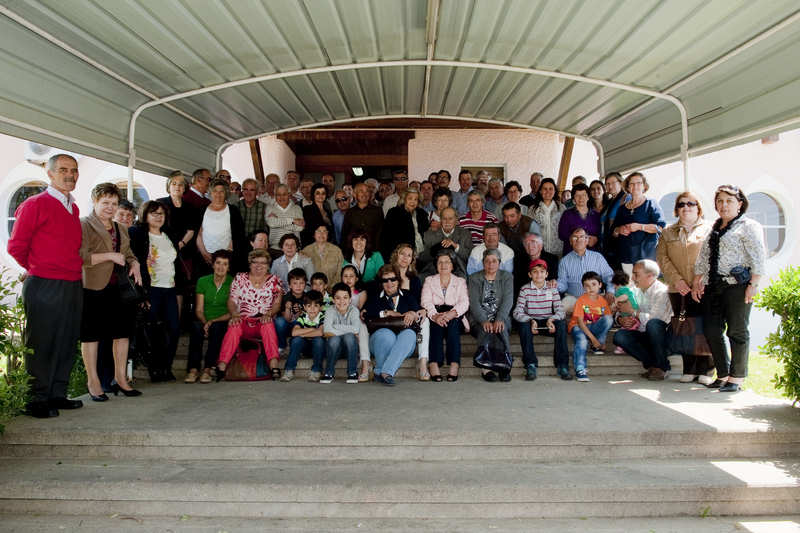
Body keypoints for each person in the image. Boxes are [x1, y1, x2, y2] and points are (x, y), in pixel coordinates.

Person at [8, 154, 84, 417]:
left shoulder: (73, 208)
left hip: (72, 283)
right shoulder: (34, 204)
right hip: (44, 284)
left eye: (74, 170)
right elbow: (16, 247)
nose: (70, 175)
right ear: (50, 173)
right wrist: (39, 268)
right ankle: (36, 400)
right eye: (63, 170)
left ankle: (57, 394)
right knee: (42, 343)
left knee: (66, 341)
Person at [692, 185, 766, 392]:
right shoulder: (714, 227)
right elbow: (703, 257)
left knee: (737, 331)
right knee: (711, 330)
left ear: (740, 204)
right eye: (720, 201)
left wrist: (753, 285)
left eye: (729, 201)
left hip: (737, 286)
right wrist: (697, 280)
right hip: (713, 286)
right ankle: (723, 374)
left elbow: (758, 256)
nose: (724, 205)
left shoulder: (749, 226)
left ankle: (736, 378)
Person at [78, 183, 143, 401]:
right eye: (105, 202)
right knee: (91, 337)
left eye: (114, 203)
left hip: (120, 290)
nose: (110, 207)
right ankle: (93, 382)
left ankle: (121, 379)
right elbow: (80, 256)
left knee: (122, 334)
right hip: (93, 288)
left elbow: (128, 254)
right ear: (95, 202)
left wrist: (135, 264)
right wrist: (109, 256)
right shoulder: (84, 225)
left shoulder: (121, 228)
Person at [656, 191, 714, 383]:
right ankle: (689, 369)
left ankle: (705, 370)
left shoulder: (710, 229)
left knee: (703, 328)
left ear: (698, 208)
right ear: (676, 209)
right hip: (678, 290)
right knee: (684, 327)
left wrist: (700, 280)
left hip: (703, 288)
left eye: (690, 204)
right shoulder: (667, 232)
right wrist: (677, 280)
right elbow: (662, 259)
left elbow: (712, 257)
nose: (686, 207)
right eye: (681, 204)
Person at [128, 201, 181, 382]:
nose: (158, 217)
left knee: (173, 328)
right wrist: (142, 292)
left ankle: (166, 366)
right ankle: (155, 369)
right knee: (152, 330)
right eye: (154, 213)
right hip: (151, 288)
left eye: (161, 214)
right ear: (145, 215)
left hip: (170, 288)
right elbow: (134, 261)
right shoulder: (138, 234)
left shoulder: (169, 234)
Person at [216, 249, 283, 381]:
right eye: (255, 262)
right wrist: (234, 314)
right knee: (234, 326)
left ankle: (274, 365)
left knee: (268, 324)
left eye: (263, 263)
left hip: (262, 320)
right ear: (249, 264)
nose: (259, 266)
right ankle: (222, 366)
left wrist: (268, 314)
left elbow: (277, 304)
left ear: (268, 265)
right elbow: (231, 300)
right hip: (244, 320)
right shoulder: (240, 278)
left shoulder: (275, 280)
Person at [364, 264, 426, 386]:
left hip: (404, 344)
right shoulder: (375, 297)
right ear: (381, 283)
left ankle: (383, 371)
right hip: (379, 343)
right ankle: (386, 372)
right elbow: (366, 314)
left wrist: (413, 313)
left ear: (398, 280)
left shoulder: (408, 295)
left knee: (409, 334)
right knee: (387, 335)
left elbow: (419, 312)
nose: (389, 283)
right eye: (385, 280)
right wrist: (386, 313)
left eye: (393, 279)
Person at [614, 260, 675, 381]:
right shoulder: (633, 289)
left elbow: (654, 319)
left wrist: (633, 312)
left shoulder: (662, 291)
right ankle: (653, 366)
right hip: (643, 334)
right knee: (619, 336)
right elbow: (619, 310)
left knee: (653, 324)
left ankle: (662, 366)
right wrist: (621, 319)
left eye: (636, 274)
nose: (632, 278)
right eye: (633, 274)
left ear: (650, 276)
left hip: (662, 338)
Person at [513, 259, 571, 381]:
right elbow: (517, 312)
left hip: (548, 321)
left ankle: (562, 365)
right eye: (535, 272)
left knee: (561, 324)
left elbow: (561, 311)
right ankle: (530, 364)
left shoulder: (552, 289)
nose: (538, 274)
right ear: (530, 274)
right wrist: (530, 320)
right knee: (523, 325)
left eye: (542, 271)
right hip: (532, 323)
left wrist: (552, 319)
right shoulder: (525, 290)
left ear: (546, 274)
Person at [421, 250, 469, 381]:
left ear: (452, 265)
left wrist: (452, 313)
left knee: (453, 326)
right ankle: (434, 364)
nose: (443, 265)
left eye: (447, 262)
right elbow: (425, 301)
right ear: (436, 265)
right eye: (440, 262)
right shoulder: (429, 280)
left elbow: (465, 302)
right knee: (435, 327)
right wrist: (435, 316)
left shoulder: (460, 281)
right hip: (435, 313)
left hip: (455, 314)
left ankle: (454, 364)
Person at [468, 248, 515, 383]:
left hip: (501, 316)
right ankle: (486, 368)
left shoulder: (507, 277)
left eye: (494, 261)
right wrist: (484, 320)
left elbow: (508, 300)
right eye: (487, 261)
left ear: (499, 262)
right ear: (483, 263)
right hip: (479, 319)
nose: (491, 264)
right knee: (486, 328)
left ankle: (504, 366)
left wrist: (499, 319)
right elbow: (474, 303)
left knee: (501, 327)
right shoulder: (474, 278)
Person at [186, 249, 233, 384]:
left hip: (222, 319)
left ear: (229, 267)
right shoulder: (203, 281)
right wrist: (206, 322)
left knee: (217, 329)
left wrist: (212, 321)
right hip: (204, 318)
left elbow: (232, 312)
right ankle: (193, 369)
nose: (221, 267)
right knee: (196, 327)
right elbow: (199, 309)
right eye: (218, 263)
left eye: (225, 264)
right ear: (212, 265)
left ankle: (207, 369)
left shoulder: (233, 283)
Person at [157, 172, 198, 314]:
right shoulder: (160, 203)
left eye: (181, 184)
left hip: (182, 253)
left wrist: (180, 244)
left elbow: (191, 230)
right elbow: (154, 227)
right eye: (174, 183)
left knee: (179, 289)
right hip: (162, 252)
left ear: (185, 188)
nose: (177, 187)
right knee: (163, 288)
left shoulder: (190, 207)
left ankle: (176, 322)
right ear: (168, 187)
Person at [610, 172, 666, 275]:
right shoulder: (622, 209)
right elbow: (613, 231)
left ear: (644, 186)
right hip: (626, 256)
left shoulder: (651, 204)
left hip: (646, 256)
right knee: (631, 284)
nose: (635, 186)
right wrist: (619, 229)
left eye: (639, 183)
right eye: (632, 183)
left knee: (645, 283)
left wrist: (640, 227)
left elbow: (660, 228)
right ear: (627, 187)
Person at [389, 243, 431, 379]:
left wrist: (422, 310)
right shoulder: (388, 275)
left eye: (409, 255)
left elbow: (418, 302)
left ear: (412, 259)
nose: (405, 258)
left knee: (425, 321)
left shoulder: (415, 280)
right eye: (402, 254)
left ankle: (423, 363)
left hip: (411, 316)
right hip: (392, 315)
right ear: (396, 255)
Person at [569, 271, 614, 382]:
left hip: (592, 327)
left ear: (600, 285)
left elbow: (606, 321)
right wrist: (593, 339)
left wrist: (601, 341)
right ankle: (580, 368)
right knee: (582, 341)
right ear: (583, 287)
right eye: (587, 286)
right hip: (578, 326)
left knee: (608, 319)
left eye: (594, 284)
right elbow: (580, 323)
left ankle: (597, 345)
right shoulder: (581, 300)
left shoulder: (603, 301)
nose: (591, 288)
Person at [557, 228, 614, 315]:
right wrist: (555, 285)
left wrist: (610, 291)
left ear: (587, 240)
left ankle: (590, 317)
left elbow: (609, 276)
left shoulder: (598, 257)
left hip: (595, 297)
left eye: (582, 237)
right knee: (561, 307)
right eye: (575, 237)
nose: (578, 240)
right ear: (570, 241)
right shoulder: (564, 261)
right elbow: (563, 283)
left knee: (613, 306)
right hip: (574, 299)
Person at [196, 179, 246, 274]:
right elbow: (198, 234)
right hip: (205, 258)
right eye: (215, 191)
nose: (218, 194)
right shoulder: (202, 210)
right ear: (210, 193)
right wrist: (205, 253)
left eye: (221, 191)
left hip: (227, 258)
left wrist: (226, 254)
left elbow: (238, 234)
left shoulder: (233, 210)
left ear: (226, 193)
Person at [282, 290, 327, 383]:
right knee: (296, 340)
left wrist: (303, 334)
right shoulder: (303, 317)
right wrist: (312, 329)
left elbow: (320, 332)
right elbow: (294, 332)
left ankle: (316, 370)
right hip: (305, 348)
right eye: (309, 306)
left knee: (318, 340)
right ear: (304, 307)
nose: (312, 309)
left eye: (316, 306)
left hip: (319, 349)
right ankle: (289, 370)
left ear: (320, 307)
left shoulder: (322, 316)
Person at [322, 282, 362, 384]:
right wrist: (348, 330)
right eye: (338, 298)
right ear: (333, 299)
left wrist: (335, 327)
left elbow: (356, 329)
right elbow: (326, 331)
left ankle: (352, 372)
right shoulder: (330, 311)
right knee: (335, 340)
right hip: (334, 350)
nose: (342, 301)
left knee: (349, 337)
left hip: (351, 349)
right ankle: (329, 372)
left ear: (350, 299)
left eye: (345, 297)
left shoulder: (354, 310)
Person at [419, 207, 472, 277]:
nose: (447, 222)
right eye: (444, 219)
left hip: (458, 272)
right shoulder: (429, 234)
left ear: (456, 220)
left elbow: (469, 257)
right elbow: (422, 258)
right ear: (440, 220)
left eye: (450, 219)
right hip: (434, 271)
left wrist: (456, 246)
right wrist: (436, 249)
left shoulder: (465, 234)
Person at [341, 264, 372, 381]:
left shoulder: (360, 292)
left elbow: (359, 310)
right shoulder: (338, 291)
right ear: (341, 278)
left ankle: (365, 366)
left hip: (356, 320)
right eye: (345, 276)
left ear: (357, 278)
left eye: (351, 276)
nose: (348, 279)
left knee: (362, 328)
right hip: (341, 321)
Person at [380, 189, 429, 260]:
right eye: (410, 198)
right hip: (399, 254)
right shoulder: (394, 213)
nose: (413, 202)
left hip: (420, 254)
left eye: (416, 199)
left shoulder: (422, 214)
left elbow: (425, 231)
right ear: (404, 199)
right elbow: (385, 237)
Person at [558, 183, 601, 256]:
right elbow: (561, 234)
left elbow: (600, 234)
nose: (581, 198)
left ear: (588, 197)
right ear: (573, 199)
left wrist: (596, 239)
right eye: (577, 195)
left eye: (583, 195)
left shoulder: (596, 215)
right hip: (571, 254)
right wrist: (575, 238)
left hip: (591, 255)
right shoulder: (567, 214)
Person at [273, 267, 308, 354]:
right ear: (290, 285)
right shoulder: (286, 298)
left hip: (300, 326)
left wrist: (300, 312)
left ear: (305, 284)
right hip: (287, 325)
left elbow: (308, 318)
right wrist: (288, 308)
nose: (298, 286)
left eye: (301, 283)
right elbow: (287, 319)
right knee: (279, 321)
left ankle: (298, 345)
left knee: (302, 321)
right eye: (295, 283)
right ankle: (282, 345)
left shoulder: (307, 298)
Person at [514, 232, 559, 299]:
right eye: (527, 243)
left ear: (541, 245)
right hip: (526, 296)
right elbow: (518, 283)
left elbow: (552, 279)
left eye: (533, 242)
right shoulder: (519, 260)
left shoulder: (552, 259)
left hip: (546, 295)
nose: (530, 246)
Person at [528, 178, 565, 258]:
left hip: (557, 250)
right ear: (540, 191)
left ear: (555, 191)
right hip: (539, 250)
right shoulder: (533, 209)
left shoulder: (562, 208)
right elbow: (530, 231)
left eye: (551, 189)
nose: (548, 191)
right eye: (545, 189)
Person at [599, 172, 629, 271]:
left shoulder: (626, 198)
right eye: (607, 184)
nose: (610, 186)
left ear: (621, 183)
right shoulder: (609, 202)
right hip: (607, 246)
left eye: (613, 183)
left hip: (620, 246)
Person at [341, 183, 384, 251]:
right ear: (354, 194)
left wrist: (377, 251)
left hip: (373, 251)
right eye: (361, 191)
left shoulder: (378, 211)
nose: (365, 194)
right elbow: (345, 235)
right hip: (354, 251)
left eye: (367, 191)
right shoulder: (350, 212)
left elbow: (381, 234)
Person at [266, 184, 305, 257]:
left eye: (284, 194)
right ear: (275, 196)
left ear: (289, 195)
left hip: (294, 248)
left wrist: (278, 222)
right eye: (278, 195)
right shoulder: (270, 208)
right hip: (275, 249)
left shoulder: (297, 208)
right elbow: (271, 223)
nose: (281, 197)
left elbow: (299, 228)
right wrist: (293, 221)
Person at [300, 183, 334, 247]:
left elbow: (331, 231)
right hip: (312, 245)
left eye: (323, 193)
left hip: (326, 245)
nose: (321, 195)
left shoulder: (328, 211)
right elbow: (306, 231)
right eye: (318, 193)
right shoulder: (307, 209)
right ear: (313, 195)